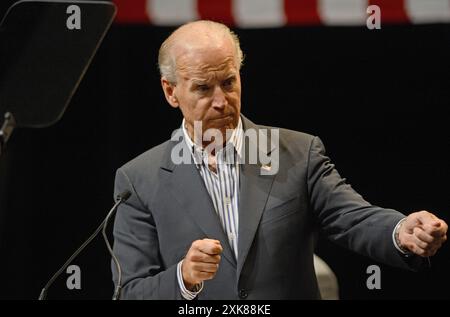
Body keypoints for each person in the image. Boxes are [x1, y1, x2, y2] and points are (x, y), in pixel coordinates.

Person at [112, 20, 447, 300]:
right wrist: (184, 278)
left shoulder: (298, 153)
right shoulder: (139, 181)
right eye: (203, 88)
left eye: (229, 82)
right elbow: (130, 291)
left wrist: (401, 231)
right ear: (171, 92)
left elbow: (353, 218)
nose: (220, 101)